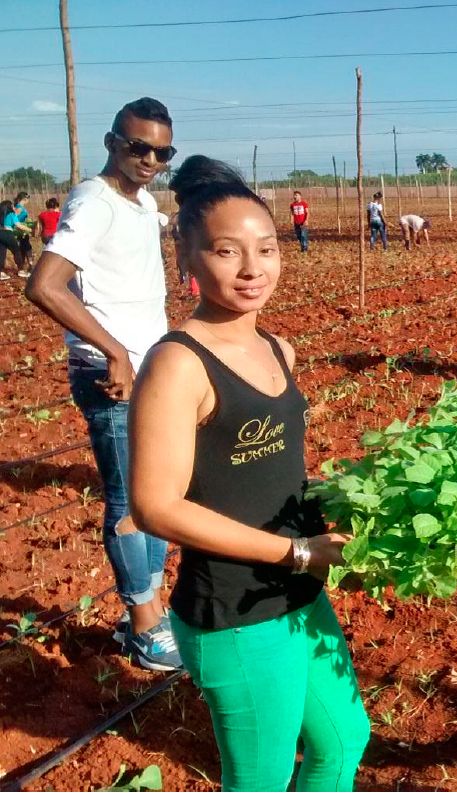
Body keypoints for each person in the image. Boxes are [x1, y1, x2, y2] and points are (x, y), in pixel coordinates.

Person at [129, 156, 369, 791]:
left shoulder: (276, 349)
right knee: (259, 780)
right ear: (186, 259)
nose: (252, 268)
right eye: (227, 251)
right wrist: (295, 551)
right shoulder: (178, 364)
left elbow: (272, 470)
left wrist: (342, 498)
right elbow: (156, 506)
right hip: (236, 610)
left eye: (266, 249)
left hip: (297, 592)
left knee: (344, 741)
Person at [25, 97, 181, 671]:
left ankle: (151, 613)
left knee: (157, 494)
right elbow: (45, 284)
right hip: (110, 372)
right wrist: (114, 350)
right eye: (137, 146)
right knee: (127, 500)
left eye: (161, 151)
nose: (149, 159)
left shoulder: (139, 203)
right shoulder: (93, 200)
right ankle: (143, 626)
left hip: (148, 368)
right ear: (112, 141)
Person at [1, 199, 32, 279]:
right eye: (12, 205)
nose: (13, 206)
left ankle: (1, 272)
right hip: (8, 234)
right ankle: (21, 270)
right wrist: (30, 230)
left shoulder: (0, 214)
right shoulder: (11, 214)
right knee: (17, 251)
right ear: (9, 206)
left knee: (1, 253)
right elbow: (18, 225)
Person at [12, 191, 34, 265]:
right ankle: (28, 265)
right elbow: (14, 219)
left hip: (22, 230)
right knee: (27, 247)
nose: (28, 201)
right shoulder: (19, 208)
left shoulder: (20, 207)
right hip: (20, 231)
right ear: (24, 199)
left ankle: (23, 266)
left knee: (24, 248)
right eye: (28, 199)